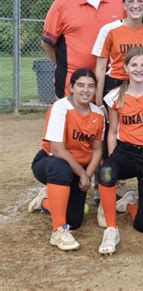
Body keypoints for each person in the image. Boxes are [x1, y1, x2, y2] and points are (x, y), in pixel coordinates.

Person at [97, 48, 143, 255]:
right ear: (126, 68)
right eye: (134, 65)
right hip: (126, 153)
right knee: (106, 172)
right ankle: (111, 228)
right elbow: (112, 132)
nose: (139, 69)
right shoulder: (115, 95)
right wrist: (111, 159)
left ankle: (129, 203)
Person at [28, 69, 104, 251]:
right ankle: (58, 231)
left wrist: (88, 175)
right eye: (80, 85)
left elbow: (97, 149)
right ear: (71, 87)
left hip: (79, 170)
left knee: (75, 220)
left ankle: (45, 201)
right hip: (49, 163)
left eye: (91, 86)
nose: (86, 90)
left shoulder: (98, 114)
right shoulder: (60, 107)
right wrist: (82, 175)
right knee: (60, 166)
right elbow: (57, 149)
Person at [42, 0, 123, 98]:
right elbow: (48, 43)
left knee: (107, 120)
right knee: (71, 120)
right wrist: (61, 66)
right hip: (72, 84)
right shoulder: (62, 3)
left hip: (111, 83)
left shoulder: (118, 2)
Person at [92, 0, 143, 112]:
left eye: (140, 1)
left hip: (141, 84)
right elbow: (100, 69)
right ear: (124, 5)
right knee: (112, 129)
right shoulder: (109, 30)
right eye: (130, 1)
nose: (135, 5)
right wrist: (99, 102)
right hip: (114, 84)